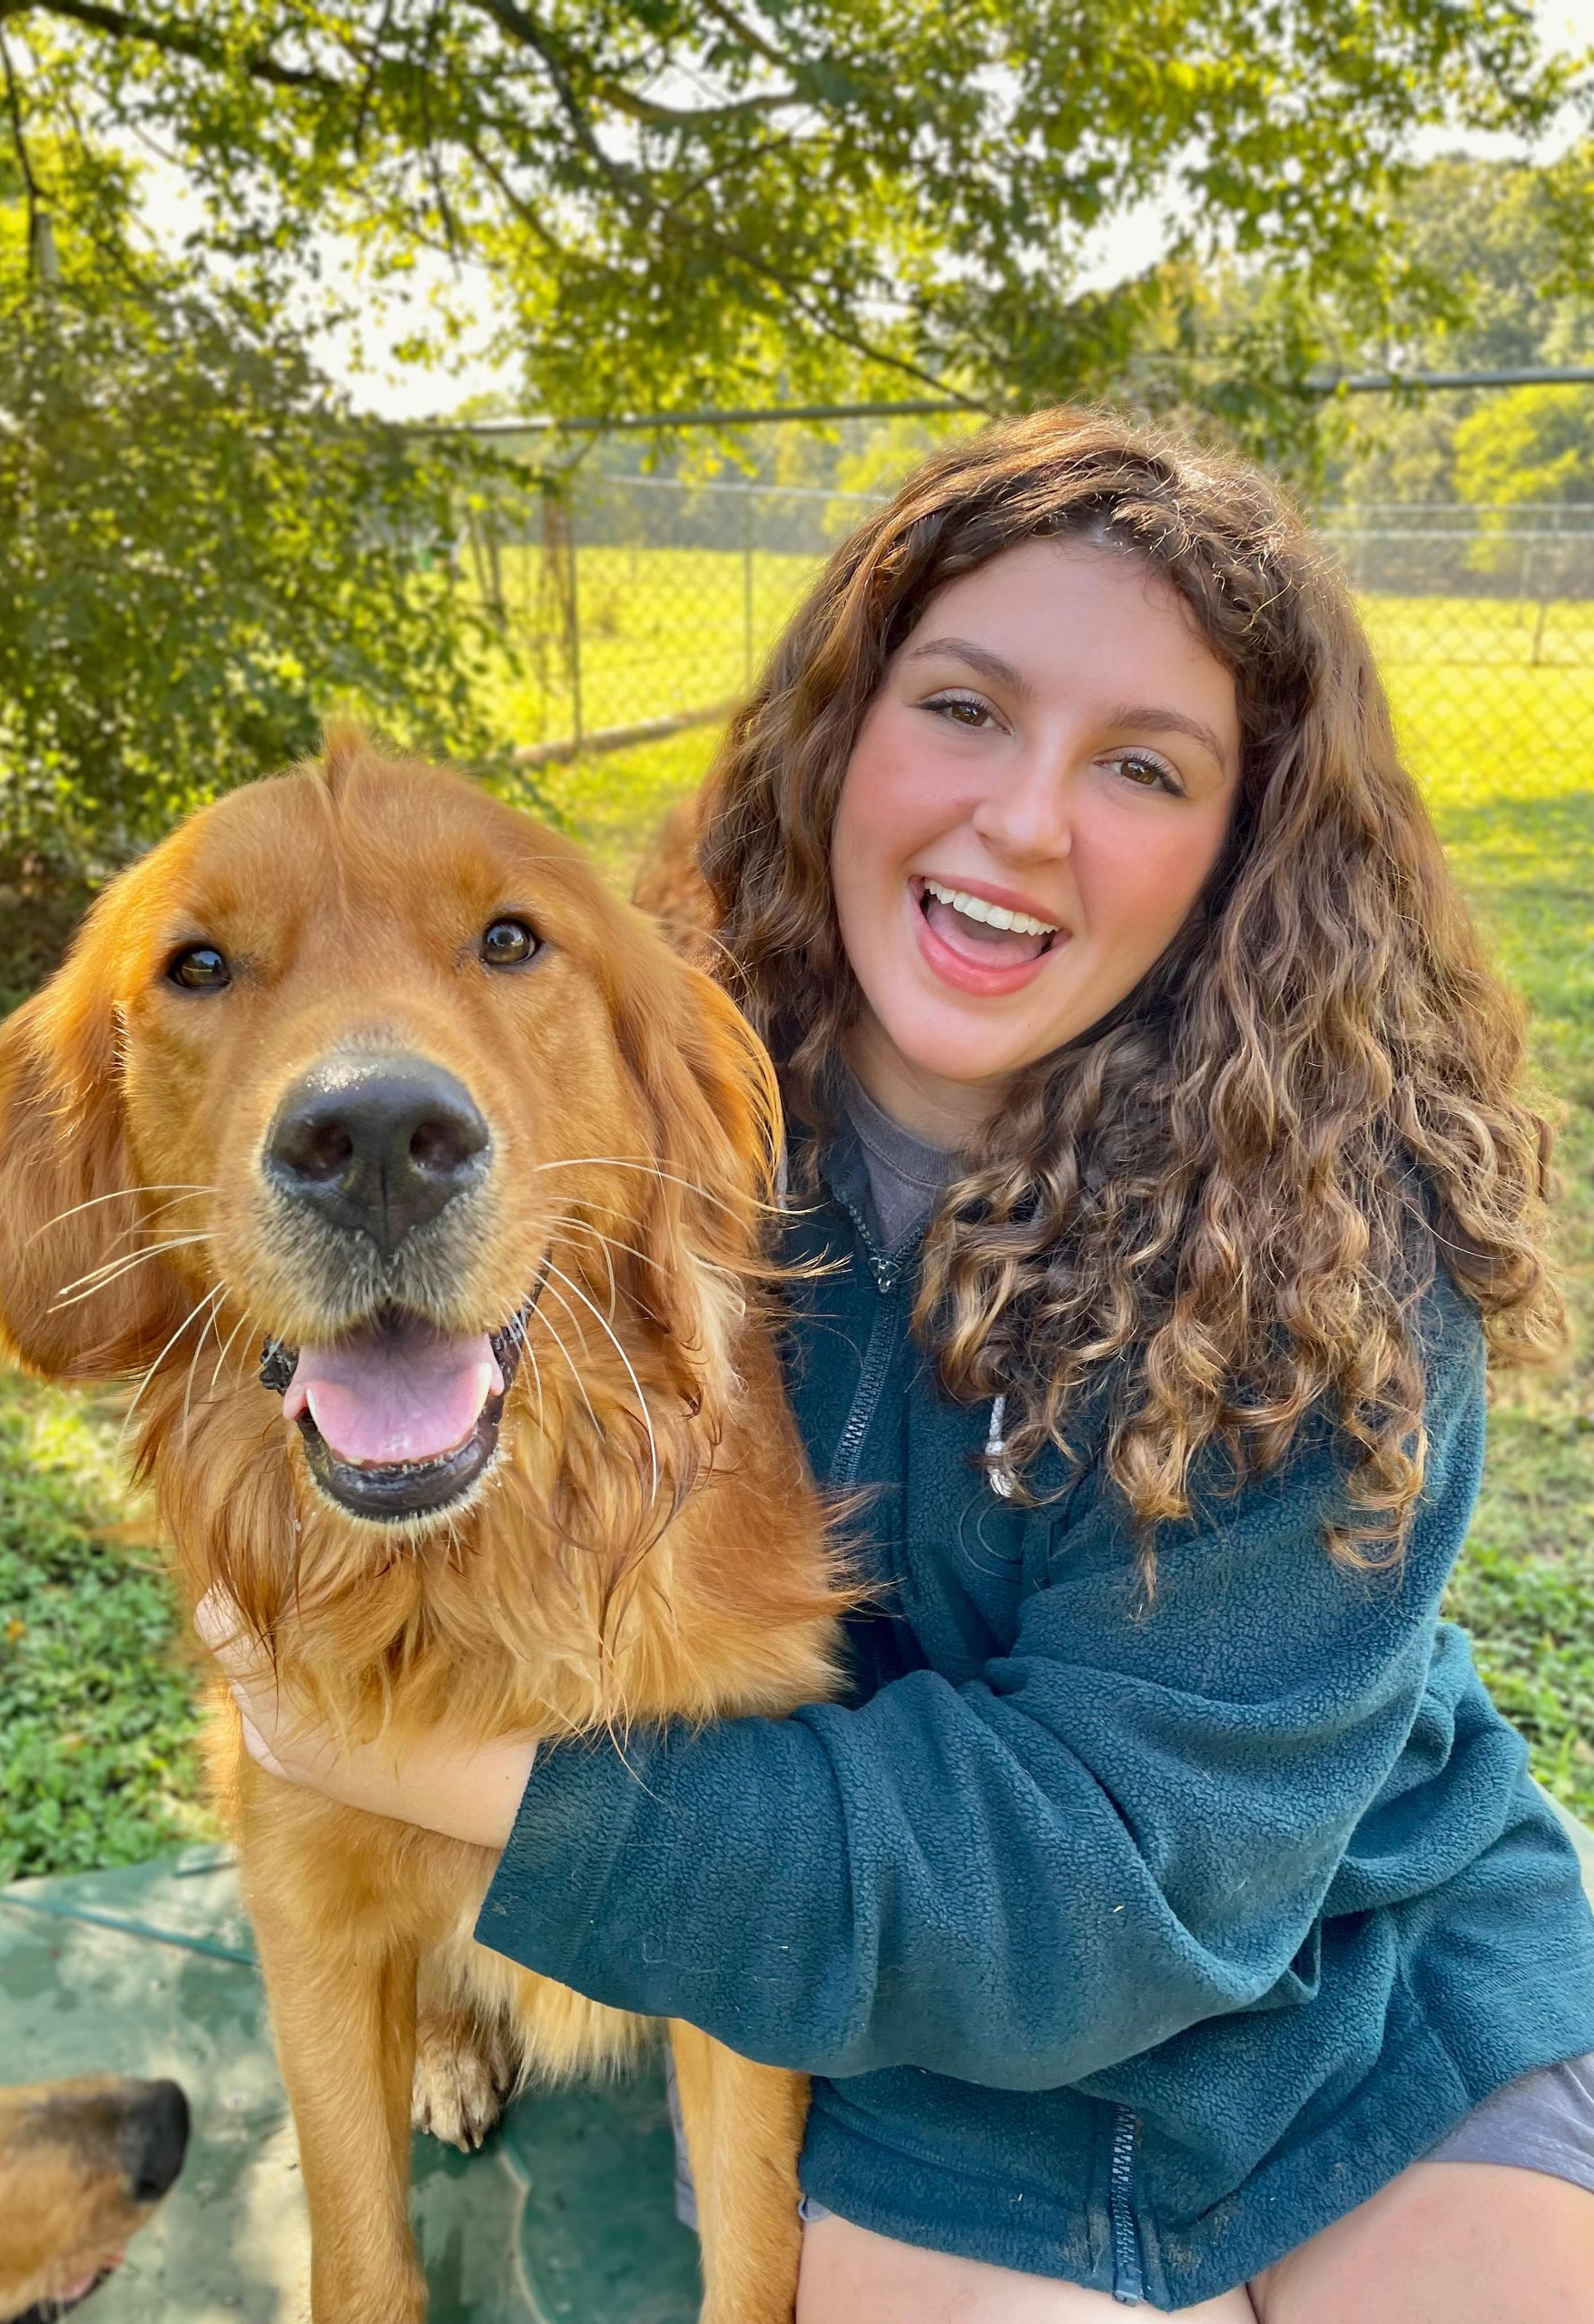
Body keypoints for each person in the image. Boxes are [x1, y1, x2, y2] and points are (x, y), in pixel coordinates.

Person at [202, 409, 1594, 2318]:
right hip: (896, 2029)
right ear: (838, 730)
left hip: (1354, 1976)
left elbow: (1137, 1874)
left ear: (1247, 844)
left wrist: (423, 1769)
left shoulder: (1341, 1240)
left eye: (1144, 765)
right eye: (962, 707)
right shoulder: (624, 1105)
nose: (1023, 819)